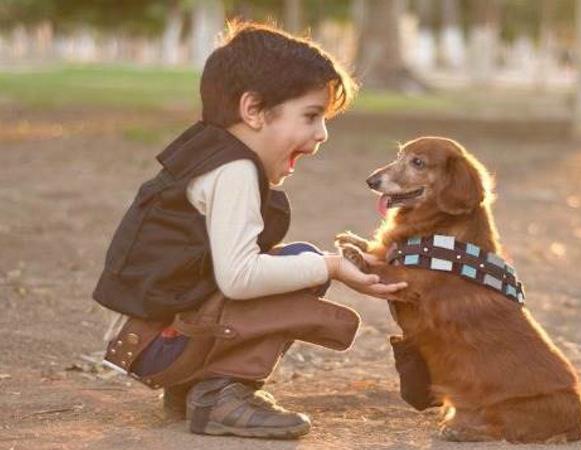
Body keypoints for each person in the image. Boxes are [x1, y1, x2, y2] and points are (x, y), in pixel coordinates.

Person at [92, 20, 406, 440]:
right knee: (300, 265)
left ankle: (193, 388)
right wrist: (329, 266)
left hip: (148, 340)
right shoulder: (234, 170)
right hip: (156, 347)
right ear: (253, 110)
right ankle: (220, 394)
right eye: (311, 116)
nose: (322, 134)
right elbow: (238, 278)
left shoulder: (209, 153)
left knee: (294, 263)